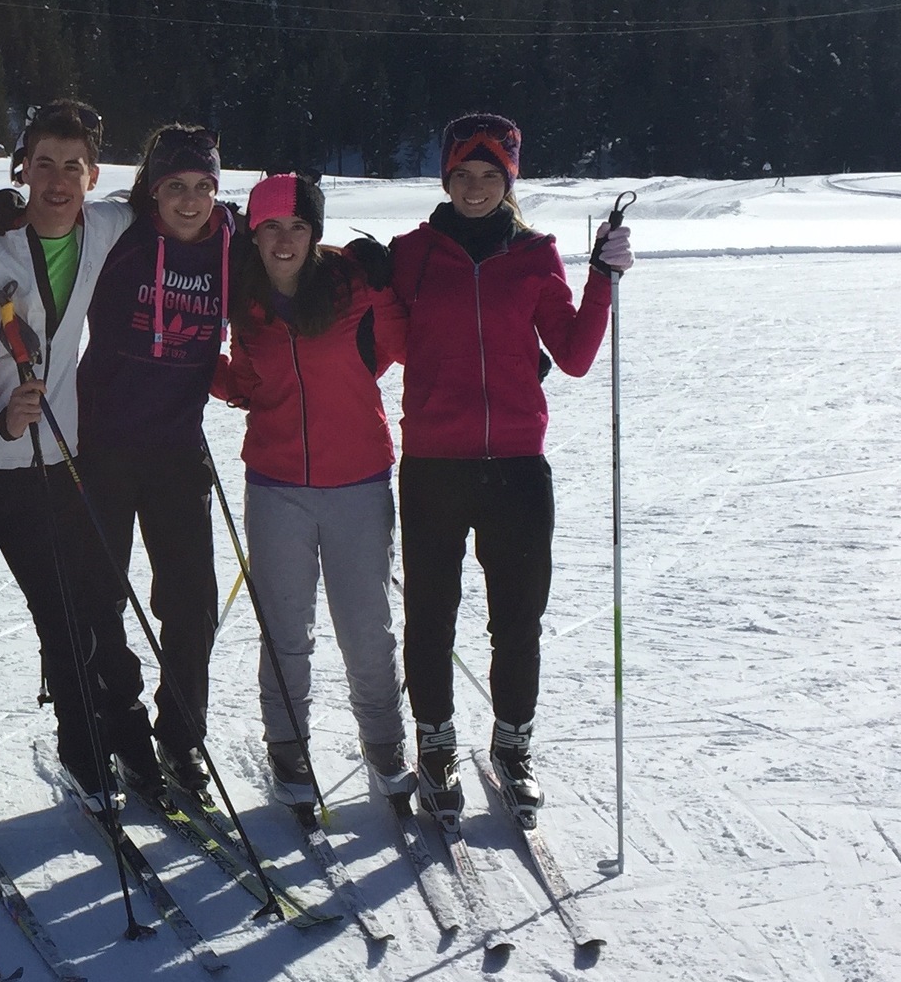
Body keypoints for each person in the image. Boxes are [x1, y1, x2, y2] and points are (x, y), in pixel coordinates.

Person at [387, 113, 631, 826]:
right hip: (433, 462)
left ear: (510, 180)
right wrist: (370, 283)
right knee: (430, 617)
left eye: (490, 174)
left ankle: (512, 744)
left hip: (518, 467)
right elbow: (389, 343)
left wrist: (602, 279)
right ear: (444, 177)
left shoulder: (535, 256)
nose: (474, 186)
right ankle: (434, 744)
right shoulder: (412, 253)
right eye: (462, 174)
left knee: (517, 620)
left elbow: (577, 354)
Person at [0, 99, 149, 820]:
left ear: (92, 174)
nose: (56, 180)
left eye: (70, 166)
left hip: (53, 460)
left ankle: (84, 750)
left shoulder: (108, 227)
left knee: (67, 611)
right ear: (23, 167)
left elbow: (187, 214)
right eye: (42, 164)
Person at [212, 172, 408, 805]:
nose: (285, 239)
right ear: (254, 234)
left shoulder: (356, 285)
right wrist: (193, 370)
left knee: (366, 625)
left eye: (298, 226)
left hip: (358, 480)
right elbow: (246, 382)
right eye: (271, 226)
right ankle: (288, 745)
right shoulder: (246, 302)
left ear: (316, 233)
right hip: (276, 486)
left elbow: (409, 341)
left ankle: (384, 740)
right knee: (285, 627)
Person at [62, 123, 239, 800]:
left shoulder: (232, 243)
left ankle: (180, 740)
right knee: (99, 594)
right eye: (175, 186)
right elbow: (53, 214)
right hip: (100, 443)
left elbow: (295, 259)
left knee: (192, 602)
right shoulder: (119, 233)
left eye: (202, 186)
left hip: (175, 448)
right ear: (152, 188)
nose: (190, 200)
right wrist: (5, 211)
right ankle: (116, 723)